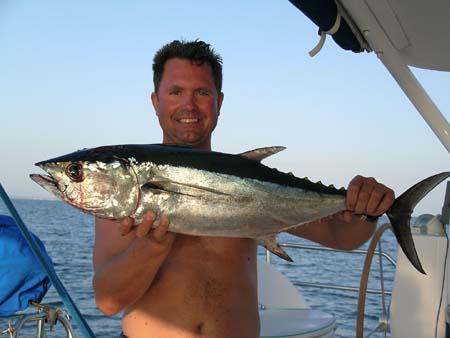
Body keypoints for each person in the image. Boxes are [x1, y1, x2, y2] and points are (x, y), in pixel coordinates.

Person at [92, 40, 395, 338]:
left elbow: (341, 237)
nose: (189, 105)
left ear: (218, 103)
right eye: (175, 92)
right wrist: (151, 246)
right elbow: (108, 302)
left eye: (202, 92)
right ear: (156, 102)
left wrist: (367, 211)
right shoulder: (124, 193)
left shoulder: (249, 185)